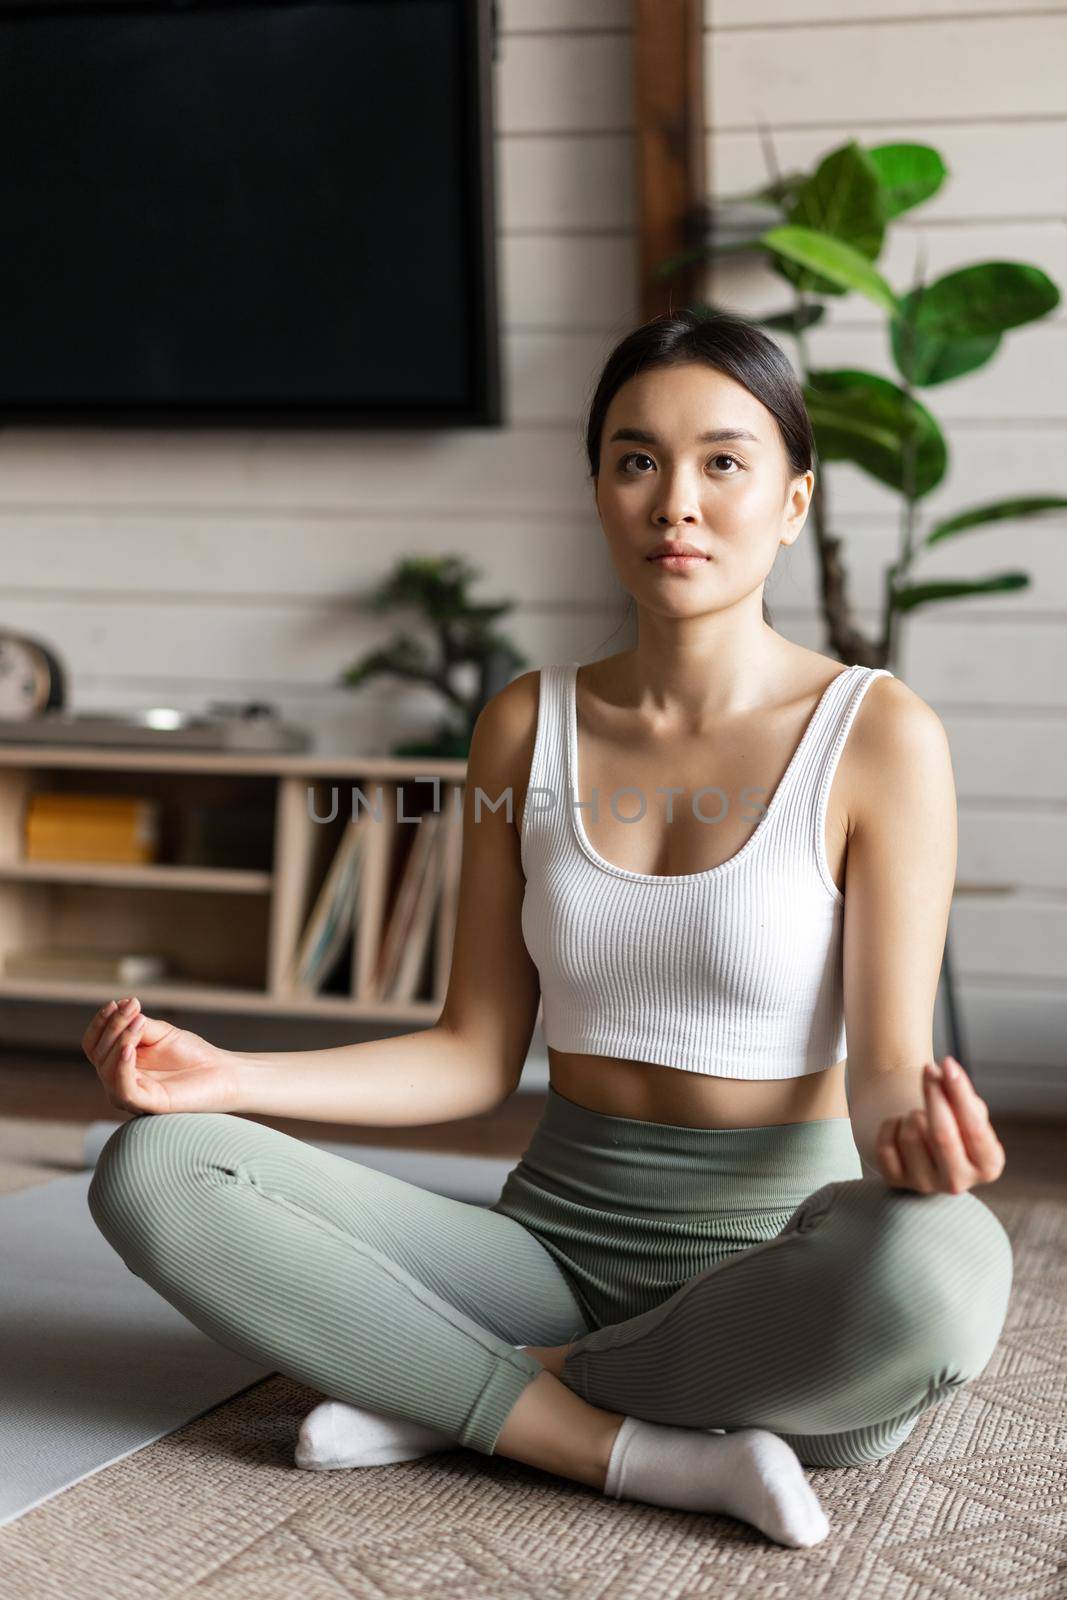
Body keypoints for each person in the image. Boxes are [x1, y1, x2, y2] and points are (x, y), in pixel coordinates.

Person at [83, 308, 1012, 1550]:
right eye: (636, 460)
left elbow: (887, 1064)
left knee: (937, 1277)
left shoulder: (879, 736)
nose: (674, 501)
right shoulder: (527, 725)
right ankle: (625, 1441)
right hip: (548, 1246)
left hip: (772, 1270)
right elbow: (471, 1049)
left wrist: (913, 1145)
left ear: (791, 499)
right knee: (156, 1171)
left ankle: (469, 1388)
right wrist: (227, 1075)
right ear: (596, 491)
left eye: (722, 462)